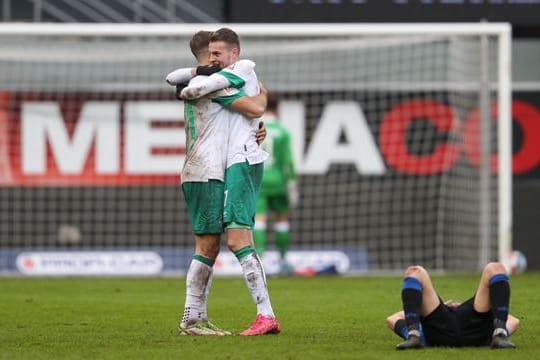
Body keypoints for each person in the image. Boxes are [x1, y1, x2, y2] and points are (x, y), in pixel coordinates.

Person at [179, 27, 281, 336]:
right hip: (207, 170)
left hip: (209, 168)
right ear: (206, 57)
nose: (216, 58)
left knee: (209, 246)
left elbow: (247, 117)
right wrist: (261, 96)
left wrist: (255, 131)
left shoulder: (216, 79)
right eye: (212, 54)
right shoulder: (207, 83)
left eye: (218, 53)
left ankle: (193, 319)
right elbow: (255, 106)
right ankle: (197, 319)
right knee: (219, 244)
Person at [386, 262, 519, 350]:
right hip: (442, 328)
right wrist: (492, 310)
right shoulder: (424, 334)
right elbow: (514, 321)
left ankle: (499, 335)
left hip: (471, 326)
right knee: (414, 271)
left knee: (495, 268)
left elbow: (392, 319)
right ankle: (413, 337)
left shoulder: (423, 331)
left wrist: (420, 308)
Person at [252, 93, 298, 274]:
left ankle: (260, 263)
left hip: (260, 180)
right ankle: (283, 260)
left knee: (259, 221)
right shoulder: (283, 131)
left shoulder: (256, 128)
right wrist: (292, 186)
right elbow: (289, 162)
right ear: (278, 109)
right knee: (282, 220)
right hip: (278, 181)